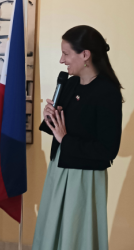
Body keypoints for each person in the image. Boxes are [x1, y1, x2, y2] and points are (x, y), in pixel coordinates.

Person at [33, 25, 123, 250]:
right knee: (51, 231)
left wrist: (66, 140)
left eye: (66, 53)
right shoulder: (69, 83)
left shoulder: (107, 92)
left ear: (85, 55)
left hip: (84, 178)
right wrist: (49, 117)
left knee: (75, 236)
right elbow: (61, 128)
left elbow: (107, 150)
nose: (62, 60)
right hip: (59, 168)